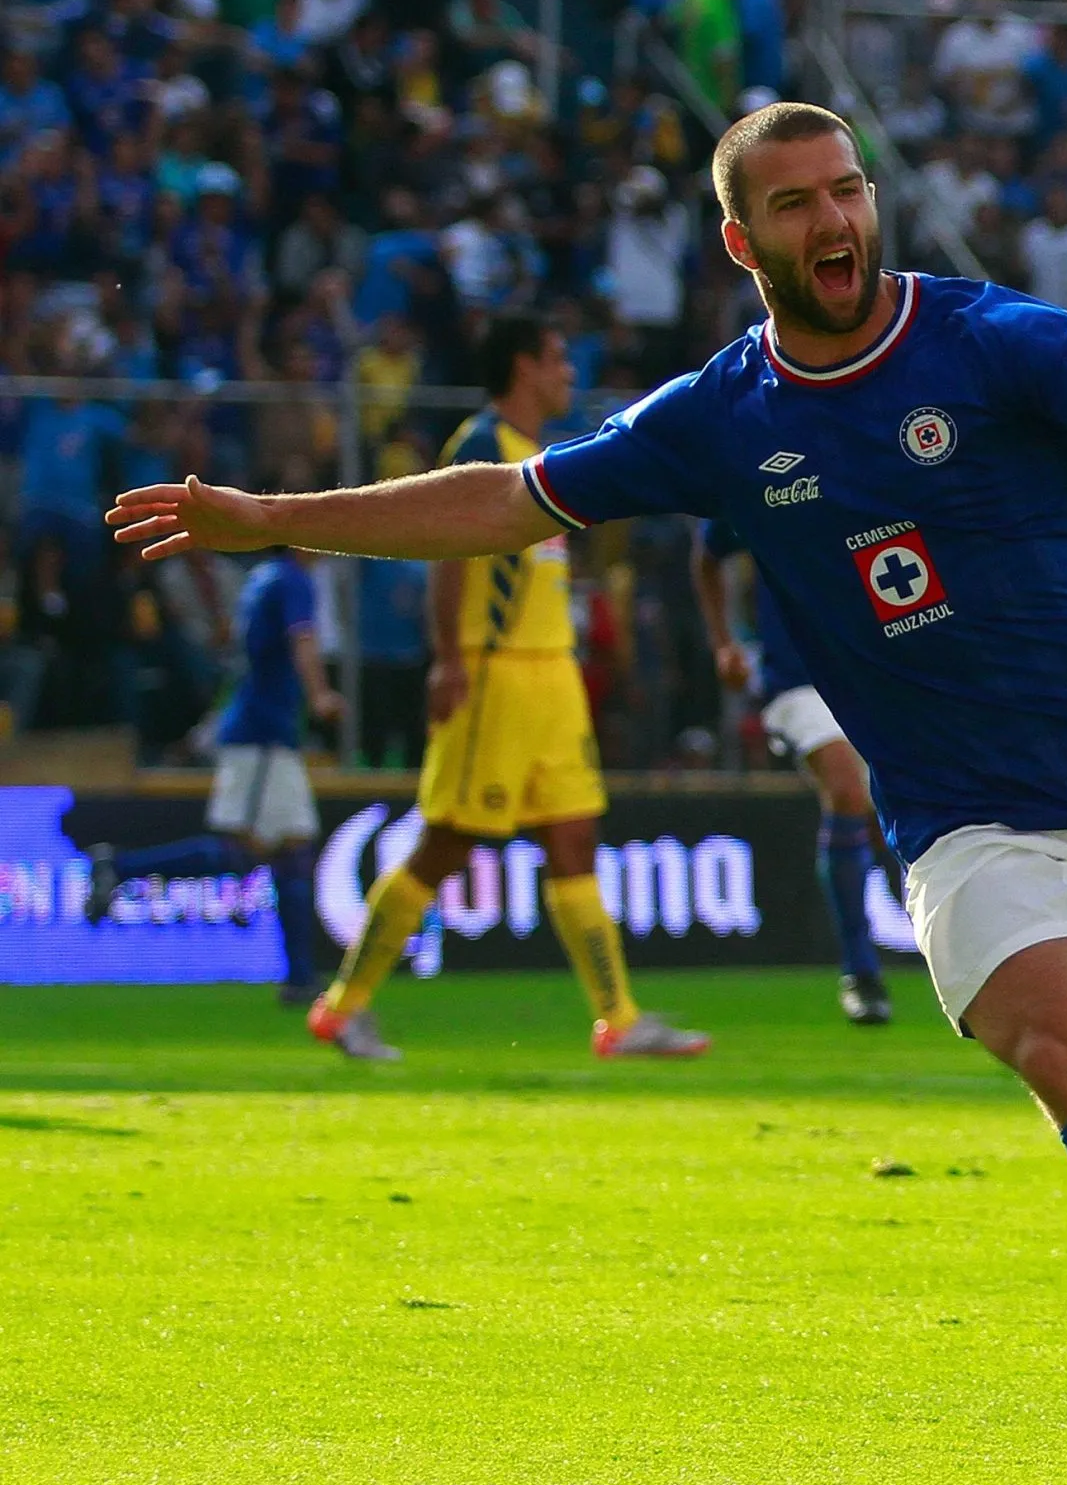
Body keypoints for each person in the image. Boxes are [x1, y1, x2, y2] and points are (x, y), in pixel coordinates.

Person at [109, 101, 1067, 1453]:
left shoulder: (992, 337)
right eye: (795, 202)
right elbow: (508, 504)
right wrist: (273, 519)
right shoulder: (719, 414)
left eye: (846, 190)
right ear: (739, 239)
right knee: (1060, 1046)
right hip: (968, 816)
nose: (832, 218)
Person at [300, 316, 708, 1064]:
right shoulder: (482, 444)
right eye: (558, 360)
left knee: (574, 835)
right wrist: (450, 657)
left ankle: (617, 1019)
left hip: (550, 671)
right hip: (495, 669)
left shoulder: (540, 455)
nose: (569, 374)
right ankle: (342, 1007)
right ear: (523, 367)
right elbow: (447, 549)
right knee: (447, 842)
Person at [84, 547, 341, 1002]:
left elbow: (243, 663)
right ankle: (119, 867)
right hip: (264, 733)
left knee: (291, 850)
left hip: (261, 730)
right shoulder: (292, 581)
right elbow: (302, 640)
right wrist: (320, 695)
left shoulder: (260, 579)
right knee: (246, 851)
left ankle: (300, 978)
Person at [691, 520, 892, 1024]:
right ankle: (860, 970)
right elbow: (708, 552)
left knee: (901, 805)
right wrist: (724, 642)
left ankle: (961, 960)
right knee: (847, 791)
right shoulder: (768, 471)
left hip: (881, 675)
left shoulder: (881, 467)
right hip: (798, 679)